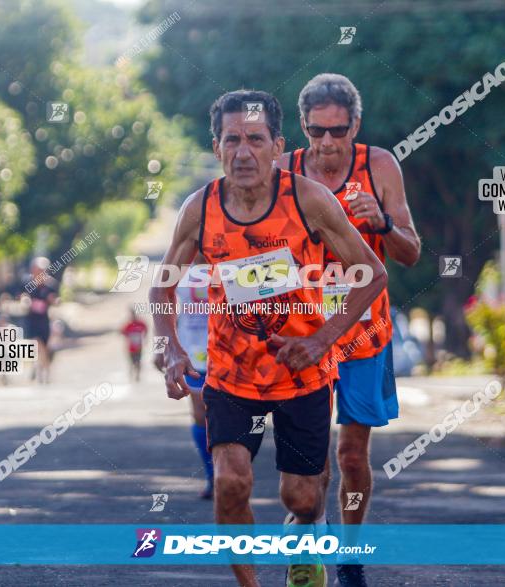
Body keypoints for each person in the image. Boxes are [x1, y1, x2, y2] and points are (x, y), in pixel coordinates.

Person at [150, 90, 387, 587]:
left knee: (301, 497)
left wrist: (324, 339)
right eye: (231, 140)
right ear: (216, 148)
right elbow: (163, 284)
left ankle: (304, 535)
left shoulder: (309, 200)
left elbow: (372, 272)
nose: (243, 153)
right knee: (231, 483)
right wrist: (168, 344)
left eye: (255, 140)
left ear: (277, 146)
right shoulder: (202, 209)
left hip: (301, 373)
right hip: (231, 375)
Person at [278, 73, 421, 587]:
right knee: (309, 459)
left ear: (355, 126)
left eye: (338, 131)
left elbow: (411, 250)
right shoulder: (285, 170)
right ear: (303, 128)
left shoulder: (378, 165)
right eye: (316, 132)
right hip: (305, 334)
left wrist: (382, 222)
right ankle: (308, 553)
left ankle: (351, 556)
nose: (327, 143)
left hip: (364, 334)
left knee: (352, 455)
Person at [171, 280, 214, 499]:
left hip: (228, 353)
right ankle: (212, 475)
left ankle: (231, 470)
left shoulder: (226, 257)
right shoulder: (180, 264)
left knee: (228, 414)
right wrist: (166, 347)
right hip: (193, 354)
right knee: (200, 415)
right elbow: (164, 300)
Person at [23, 257, 58, 384]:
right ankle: (36, 368)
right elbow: (21, 297)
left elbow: (55, 300)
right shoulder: (27, 284)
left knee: (45, 347)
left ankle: (45, 371)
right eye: (37, 270)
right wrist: (25, 301)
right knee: (36, 344)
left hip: (44, 321)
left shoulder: (50, 285)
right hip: (32, 320)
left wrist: (53, 300)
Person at [120, 308, 147, 382]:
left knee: (138, 361)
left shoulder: (141, 323)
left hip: (139, 347)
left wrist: (145, 338)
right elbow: (122, 332)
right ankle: (131, 376)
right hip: (130, 347)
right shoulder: (128, 325)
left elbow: (146, 329)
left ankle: (137, 376)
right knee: (131, 362)